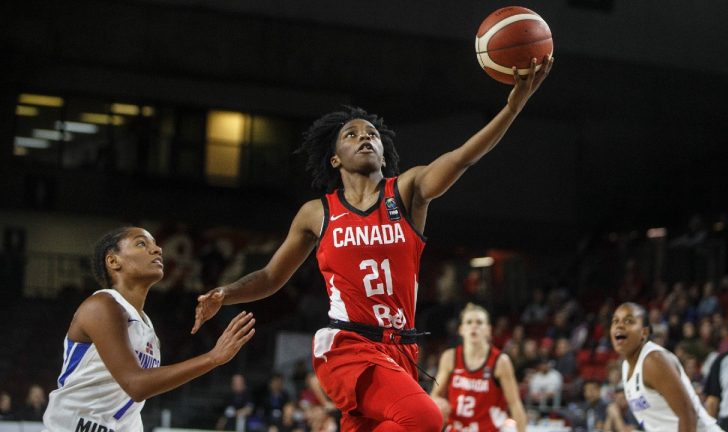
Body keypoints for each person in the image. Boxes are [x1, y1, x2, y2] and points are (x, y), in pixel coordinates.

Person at [192, 55, 554, 431]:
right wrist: (226, 293)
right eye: (352, 134)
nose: (365, 137)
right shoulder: (317, 213)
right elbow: (271, 276)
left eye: (372, 134)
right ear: (335, 159)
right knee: (427, 417)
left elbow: (462, 159)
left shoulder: (408, 191)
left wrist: (512, 108)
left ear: (384, 152)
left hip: (401, 351)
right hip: (348, 346)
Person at [43, 227, 256, 432]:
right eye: (142, 244)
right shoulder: (102, 305)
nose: (158, 249)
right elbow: (135, 385)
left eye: (155, 244)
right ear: (113, 260)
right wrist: (212, 358)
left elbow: (131, 400)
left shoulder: (146, 327)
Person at [610, 302, 722, 432]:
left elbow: (687, 414)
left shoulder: (653, 361)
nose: (619, 325)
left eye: (629, 321)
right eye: (615, 321)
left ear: (644, 332)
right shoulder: (626, 366)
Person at [430, 303, 527, 431]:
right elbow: (434, 395)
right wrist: (439, 404)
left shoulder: (500, 362)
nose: (474, 326)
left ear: (488, 330)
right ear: (461, 329)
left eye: (479, 322)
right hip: (456, 428)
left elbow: (515, 404)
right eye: (469, 322)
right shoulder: (450, 357)